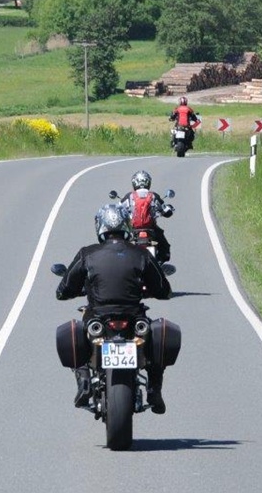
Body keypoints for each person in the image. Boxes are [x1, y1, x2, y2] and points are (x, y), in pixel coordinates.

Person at [57, 203, 172, 413]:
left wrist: (69, 291)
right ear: (126, 225)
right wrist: (152, 290)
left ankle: (83, 380)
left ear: (100, 227)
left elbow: (64, 289)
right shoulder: (141, 254)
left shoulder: (87, 253)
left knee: (78, 331)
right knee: (156, 334)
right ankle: (154, 388)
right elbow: (163, 290)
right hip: (133, 316)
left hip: (98, 316)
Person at [119, 170, 174, 263]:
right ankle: (159, 263)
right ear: (148, 182)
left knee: (121, 245)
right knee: (165, 248)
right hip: (151, 228)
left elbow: (118, 210)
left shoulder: (129, 196)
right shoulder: (154, 196)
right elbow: (166, 211)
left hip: (133, 229)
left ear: (134, 183)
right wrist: (168, 209)